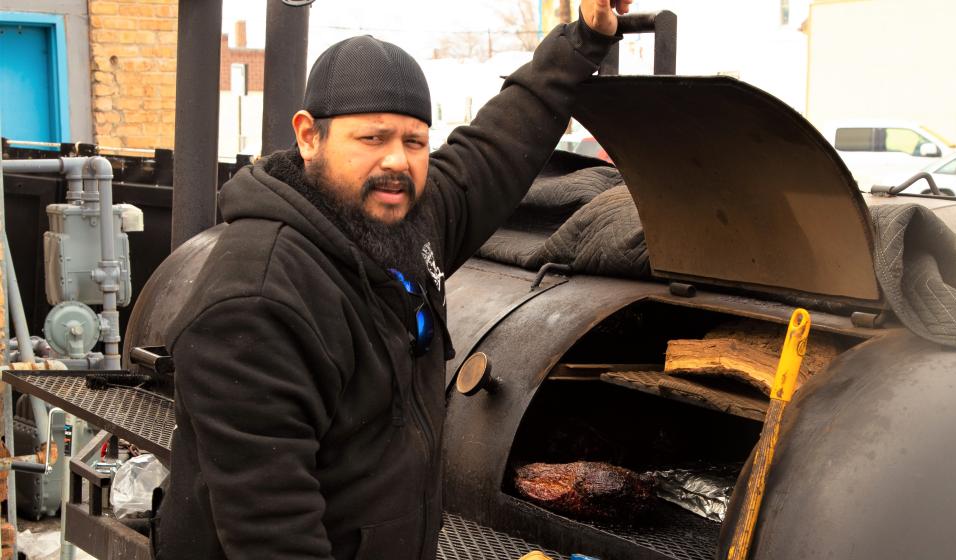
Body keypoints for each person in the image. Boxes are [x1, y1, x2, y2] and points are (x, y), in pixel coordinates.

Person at [154, 1, 632, 558]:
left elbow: (496, 148)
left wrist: (582, 41)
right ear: (309, 136)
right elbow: (273, 534)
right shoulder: (258, 300)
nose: (398, 162)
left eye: (414, 141)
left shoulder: (404, 222)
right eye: (372, 139)